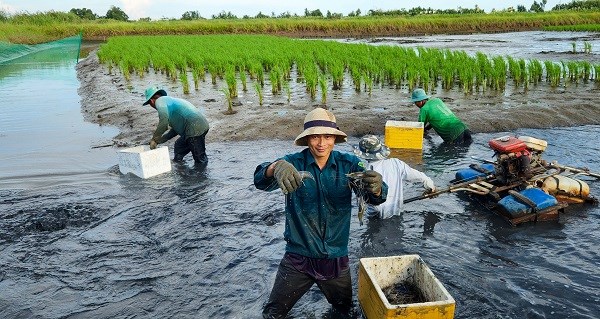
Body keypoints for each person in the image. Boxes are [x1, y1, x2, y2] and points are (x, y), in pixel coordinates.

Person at [254, 107, 388, 318]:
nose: (321, 143)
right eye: (315, 137)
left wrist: (378, 187)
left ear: (335, 138)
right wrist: (275, 167)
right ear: (307, 139)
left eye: (327, 136)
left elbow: (376, 198)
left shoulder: (351, 164)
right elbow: (260, 179)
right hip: (298, 258)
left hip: (335, 259)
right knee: (273, 313)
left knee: (344, 311)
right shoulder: (292, 163)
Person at [354, 135, 436, 219]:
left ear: (362, 154)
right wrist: (430, 186)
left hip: (376, 218)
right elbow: (420, 177)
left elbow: (371, 204)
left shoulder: (364, 172)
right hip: (397, 214)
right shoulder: (396, 163)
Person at [143, 86, 210, 166]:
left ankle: (201, 176)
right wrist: (159, 141)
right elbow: (174, 131)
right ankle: (180, 167)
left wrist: (154, 138)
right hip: (198, 125)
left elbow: (163, 122)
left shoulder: (160, 102)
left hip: (194, 128)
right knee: (179, 146)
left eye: (149, 104)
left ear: (151, 101)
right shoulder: (169, 102)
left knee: (200, 159)